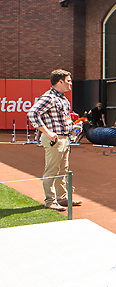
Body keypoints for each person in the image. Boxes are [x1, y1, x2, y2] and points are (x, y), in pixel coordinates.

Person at [27, 69, 82, 211]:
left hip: (65, 138)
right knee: (51, 170)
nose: (71, 83)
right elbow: (32, 113)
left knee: (63, 169)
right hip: (55, 139)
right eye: (69, 80)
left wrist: (73, 125)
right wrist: (47, 132)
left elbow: (63, 117)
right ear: (60, 81)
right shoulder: (49, 97)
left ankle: (62, 198)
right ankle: (50, 201)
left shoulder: (63, 98)